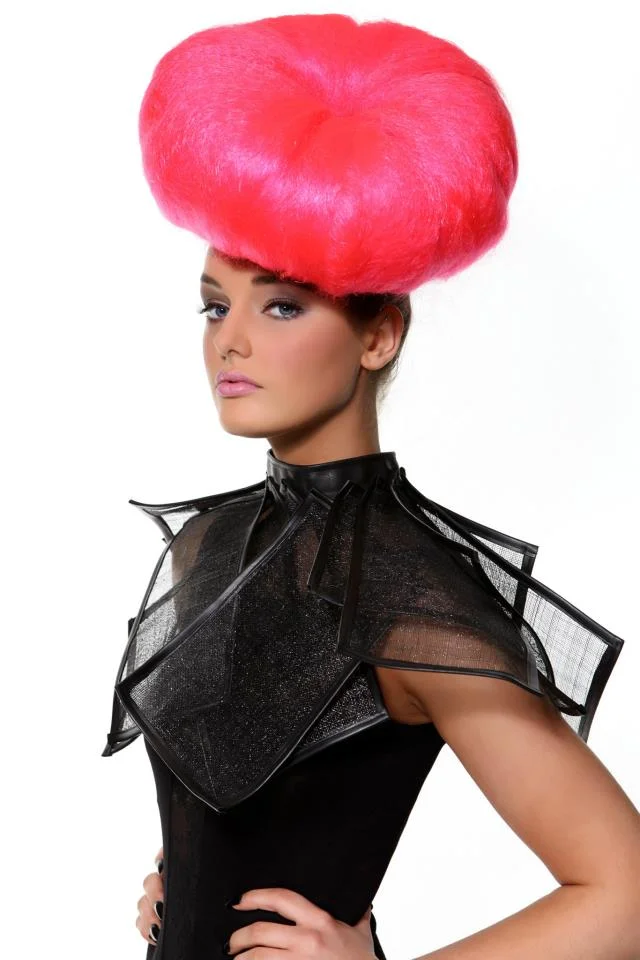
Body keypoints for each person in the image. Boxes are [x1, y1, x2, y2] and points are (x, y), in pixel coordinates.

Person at [102, 13, 639, 960]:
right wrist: (184, 877)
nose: (231, 341)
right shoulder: (209, 546)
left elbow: (625, 892)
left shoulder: (408, 591)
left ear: (379, 335)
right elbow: (249, 792)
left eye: (281, 305)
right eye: (215, 305)